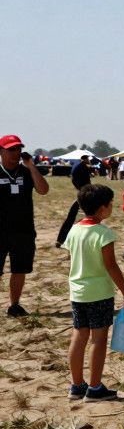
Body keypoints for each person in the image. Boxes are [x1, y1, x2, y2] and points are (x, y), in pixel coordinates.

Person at [63, 184, 124, 401]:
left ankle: (76, 385)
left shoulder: (74, 230)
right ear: (102, 208)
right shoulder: (104, 233)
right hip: (99, 293)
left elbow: (72, 259)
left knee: (79, 334)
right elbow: (111, 266)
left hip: (77, 292)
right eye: (110, 203)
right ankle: (94, 388)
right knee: (98, 339)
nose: (112, 206)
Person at [1, 135, 50, 317]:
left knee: (19, 269)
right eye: (11, 149)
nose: (16, 153)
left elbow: (43, 190)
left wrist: (31, 166)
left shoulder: (26, 171)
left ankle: (14, 305)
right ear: (1, 151)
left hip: (23, 231)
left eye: (18, 149)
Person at [56, 154, 94, 247]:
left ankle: (61, 240)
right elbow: (81, 180)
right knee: (84, 218)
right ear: (84, 159)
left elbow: (74, 179)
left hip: (83, 193)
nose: (89, 160)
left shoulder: (78, 167)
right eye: (87, 158)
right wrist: (83, 190)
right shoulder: (82, 167)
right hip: (85, 194)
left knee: (71, 217)